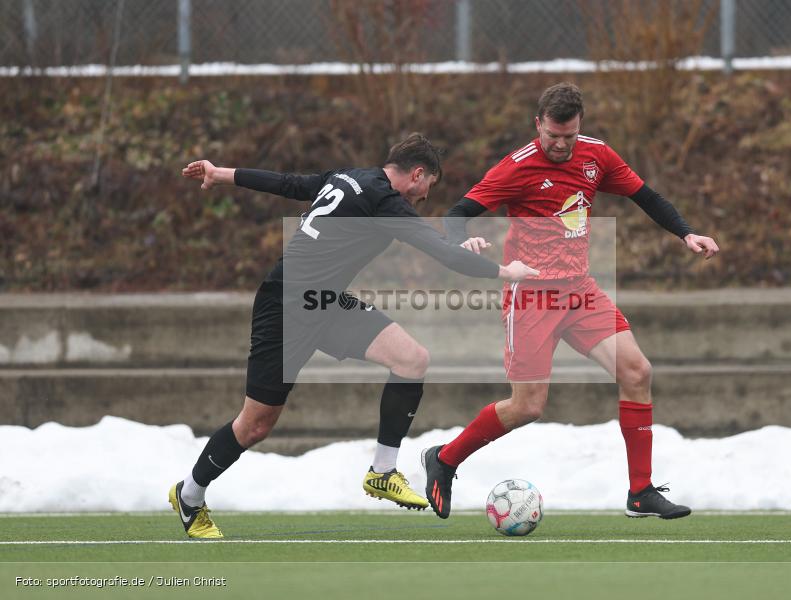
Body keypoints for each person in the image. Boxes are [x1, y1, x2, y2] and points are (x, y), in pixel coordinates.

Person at [172, 133, 538, 538]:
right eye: (427, 188)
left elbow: (288, 183)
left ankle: (382, 471)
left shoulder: (348, 177)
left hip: (324, 304)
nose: (423, 198)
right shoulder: (384, 202)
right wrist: (507, 272)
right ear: (418, 175)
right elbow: (440, 252)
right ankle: (189, 495)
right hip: (286, 307)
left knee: (412, 359)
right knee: (255, 425)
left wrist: (221, 173)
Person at [422, 83, 719, 520]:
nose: (561, 145)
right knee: (528, 407)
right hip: (532, 297)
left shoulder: (597, 155)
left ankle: (640, 492)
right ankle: (445, 459)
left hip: (579, 292)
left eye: (570, 136)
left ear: (580, 127)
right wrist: (462, 241)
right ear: (538, 125)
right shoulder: (517, 167)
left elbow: (646, 197)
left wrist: (686, 232)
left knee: (637, 371)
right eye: (553, 136)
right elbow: (457, 214)